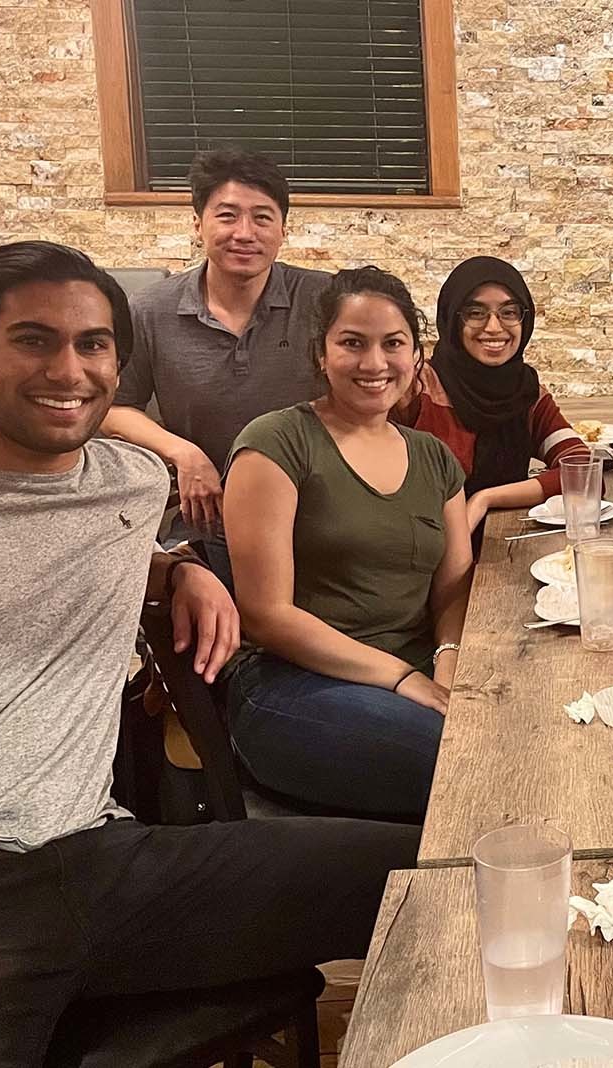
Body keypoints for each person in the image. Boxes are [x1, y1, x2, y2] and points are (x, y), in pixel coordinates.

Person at [0, 241, 418, 1067]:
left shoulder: (133, 482)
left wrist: (177, 570)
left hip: (115, 859)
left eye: (93, 344)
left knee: (448, 878)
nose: (69, 369)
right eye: (34, 340)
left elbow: (89, 537)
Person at [223, 266, 474, 818]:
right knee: (470, 766)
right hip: (293, 684)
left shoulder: (434, 458)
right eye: (352, 344)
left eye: (393, 344)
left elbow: (453, 587)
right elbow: (266, 614)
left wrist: (447, 659)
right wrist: (404, 678)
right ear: (321, 353)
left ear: (416, 355)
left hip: (416, 674)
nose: (374, 363)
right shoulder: (275, 442)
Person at [101, 148, 331, 545]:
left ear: (283, 229)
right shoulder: (149, 309)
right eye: (227, 216)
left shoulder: (324, 299)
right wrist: (184, 454)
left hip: (317, 511)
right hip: (210, 517)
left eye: (262, 217)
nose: (245, 233)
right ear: (198, 224)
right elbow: (116, 408)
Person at [396, 256, 593, 542]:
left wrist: (484, 499)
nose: (493, 327)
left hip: (502, 550)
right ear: (452, 318)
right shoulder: (417, 391)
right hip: (424, 560)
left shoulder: (525, 393)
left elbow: (584, 473)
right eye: (475, 312)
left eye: (509, 312)